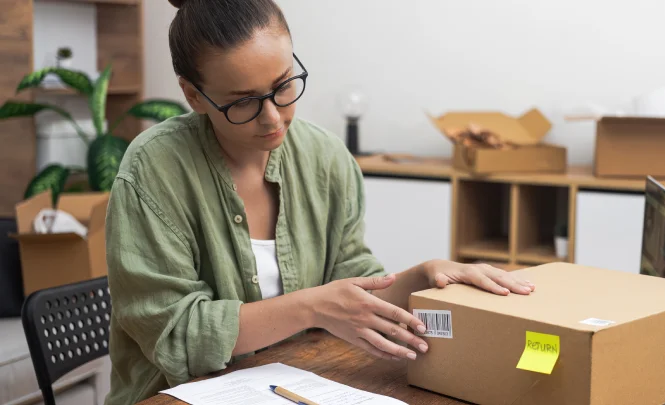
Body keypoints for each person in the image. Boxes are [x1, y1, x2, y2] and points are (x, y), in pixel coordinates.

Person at [103, 0, 535, 403]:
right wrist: (310, 306)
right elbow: (177, 336)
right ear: (194, 95)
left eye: (283, 85)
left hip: (298, 382)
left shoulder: (325, 158)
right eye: (243, 103)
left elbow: (350, 284)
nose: (273, 117)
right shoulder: (153, 170)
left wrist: (422, 277)